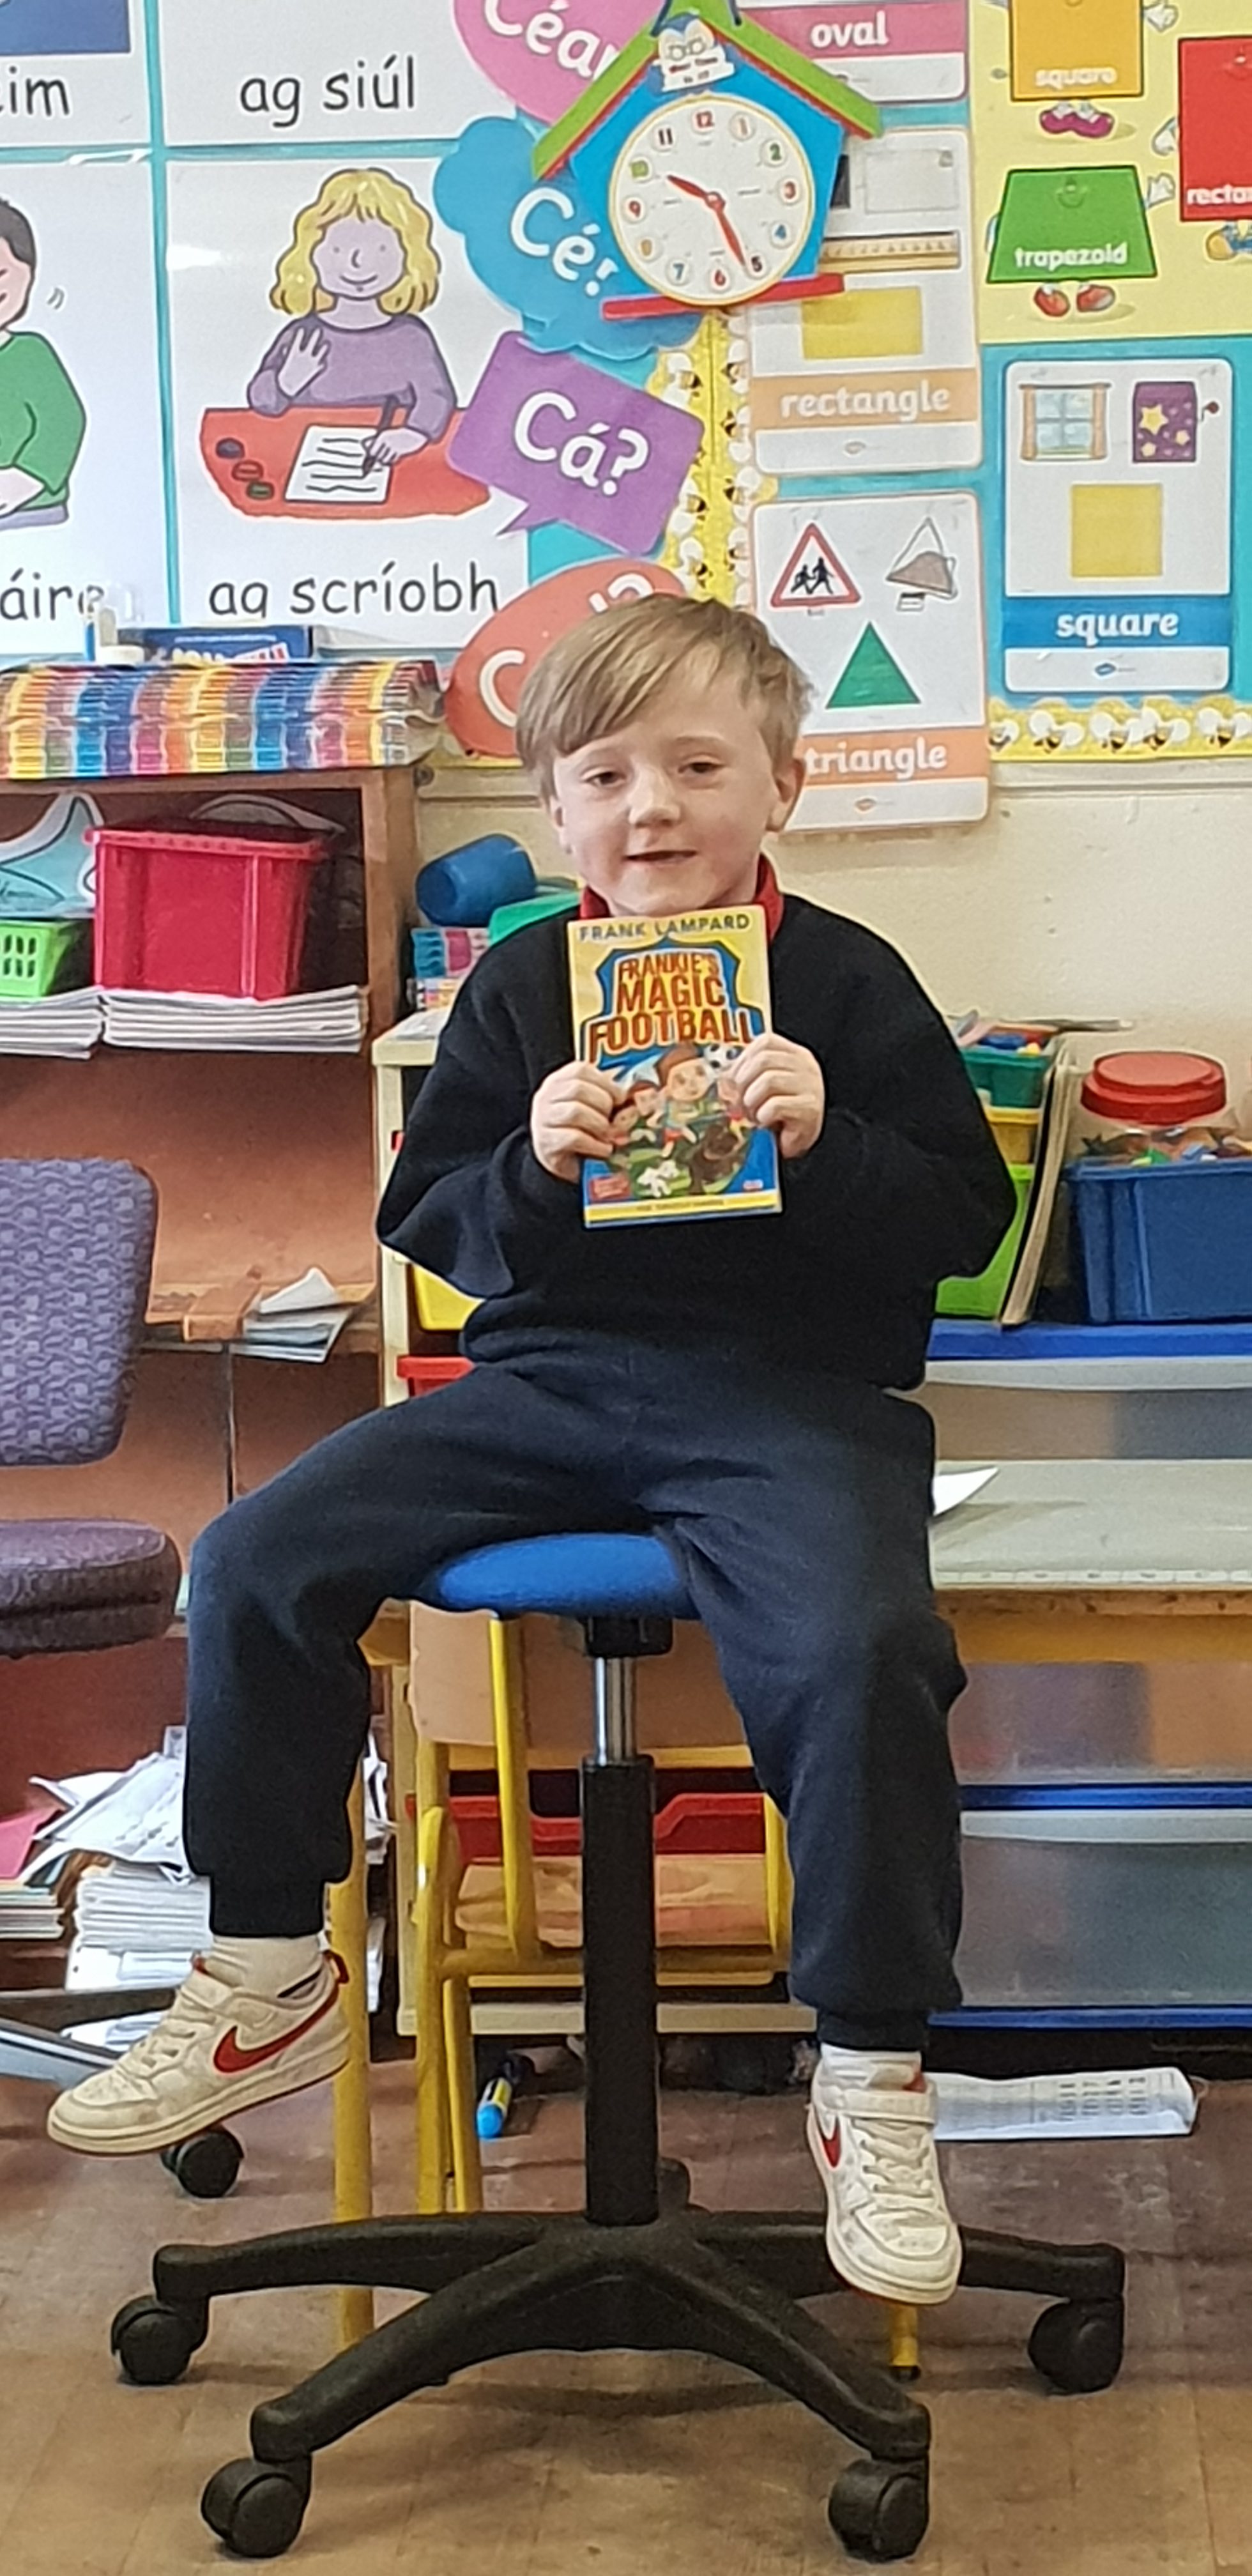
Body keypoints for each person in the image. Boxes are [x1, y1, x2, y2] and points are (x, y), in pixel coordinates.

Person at [49, 597, 1013, 2311]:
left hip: (789, 1397)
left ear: (781, 787)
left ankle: (872, 2068)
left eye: (699, 767)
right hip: (549, 1387)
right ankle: (268, 1969)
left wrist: (832, 1140)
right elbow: (429, 1219)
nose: (654, 807)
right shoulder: (515, 989)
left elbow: (964, 1217)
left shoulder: (848, 980)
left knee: (866, 1647)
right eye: (608, 775)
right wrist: (533, 1164)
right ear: (556, 809)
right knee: (260, 1553)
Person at [246, 169, 455, 467]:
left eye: (380, 249)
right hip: (303, 461)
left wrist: (413, 434)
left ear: (408, 256)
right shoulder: (304, 335)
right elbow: (261, 401)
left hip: (387, 463)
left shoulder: (411, 338)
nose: (358, 263)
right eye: (338, 249)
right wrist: (285, 383)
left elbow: (437, 398)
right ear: (310, 254)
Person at [0, 199, 86, 526]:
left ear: (28, 276)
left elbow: (63, 420)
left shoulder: (30, 354)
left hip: (30, 510)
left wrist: (28, 477)